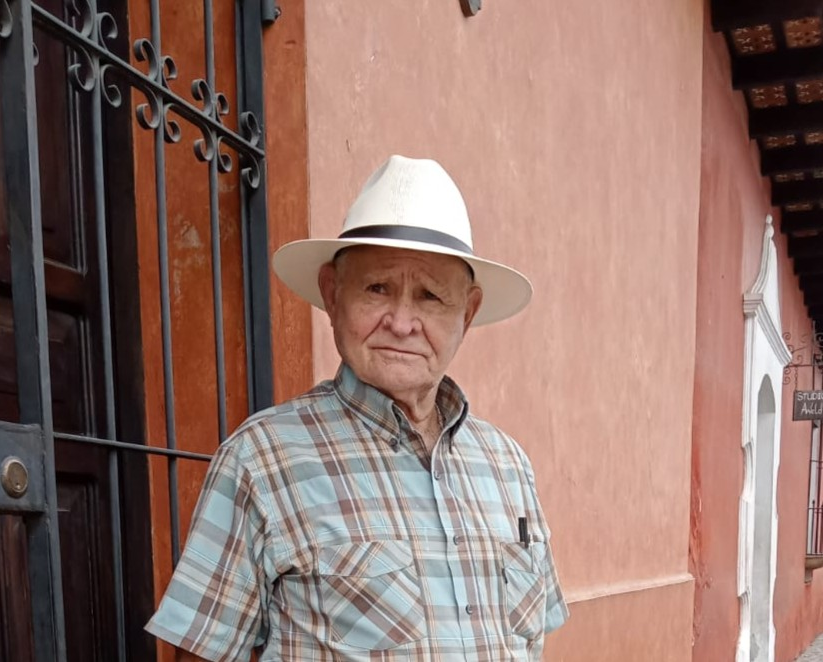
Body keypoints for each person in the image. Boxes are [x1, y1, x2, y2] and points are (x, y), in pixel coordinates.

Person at [145, 155, 568, 661]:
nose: (402, 323)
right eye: (377, 288)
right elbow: (200, 653)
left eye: (431, 296)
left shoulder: (507, 465)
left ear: (467, 312)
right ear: (332, 294)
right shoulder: (261, 460)